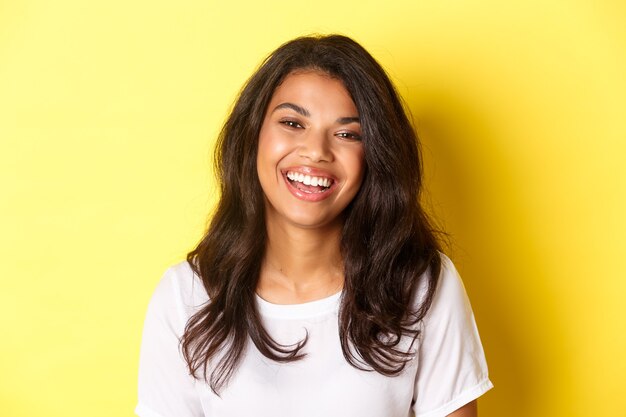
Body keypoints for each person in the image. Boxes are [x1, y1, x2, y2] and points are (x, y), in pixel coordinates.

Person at [135, 34, 493, 417]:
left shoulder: (421, 286)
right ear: (253, 135)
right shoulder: (185, 297)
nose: (317, 151)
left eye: (347, 134)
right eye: (292, 123)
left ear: (374, 156)